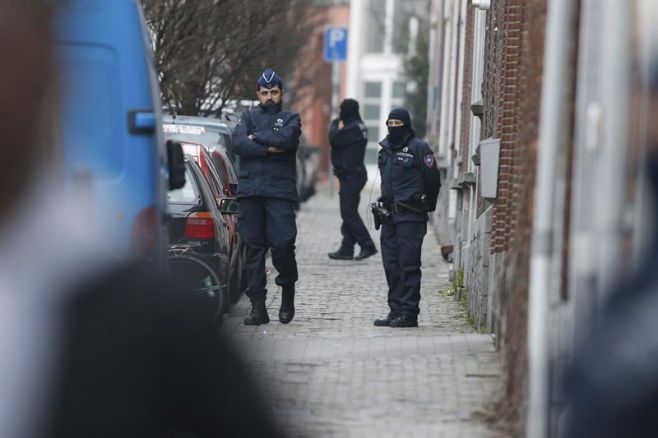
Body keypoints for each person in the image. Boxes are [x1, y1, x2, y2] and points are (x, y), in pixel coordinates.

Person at [0, 3, 284, 437]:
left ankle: (275, 302)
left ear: (46, 70)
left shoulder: (155, 332)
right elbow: (249, 145)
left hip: (270, 198)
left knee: (273, 252)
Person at [232, 68, 302, 326]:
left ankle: (287, 290)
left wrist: (257, 139)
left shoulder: (291, 117)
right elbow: (237, 142)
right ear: (258, 94)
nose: (269, 97)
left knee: (283, 243)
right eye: (265, 93)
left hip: (279, 191)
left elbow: (286, 140)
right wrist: (267, 148)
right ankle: (258, 306)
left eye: (274, 92)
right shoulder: (248, 117)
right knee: (253, 250)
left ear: (281, 93)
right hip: (250, 191)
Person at [372, 108, 441, 328]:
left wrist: (426, 206)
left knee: (408, 265)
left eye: (397, 123)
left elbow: (433, 181)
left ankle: (409, 312)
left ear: (406, 124)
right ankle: (395, 310)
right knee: (391, 265)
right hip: (389, 217)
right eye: (389, 123)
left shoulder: (419, 148)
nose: (393, 127)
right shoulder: (384, 150)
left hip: (411, 216)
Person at [327, 98, 378, 261]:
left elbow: (333, 138)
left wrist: (335, 123)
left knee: (348, 214)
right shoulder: (358, 125)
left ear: (347, 111)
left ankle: (367, 245)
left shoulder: (354, 128)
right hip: (353, 174)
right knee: (349, 212)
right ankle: (347, 248)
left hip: (352, 176)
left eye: (341, 111)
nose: (340, 114)